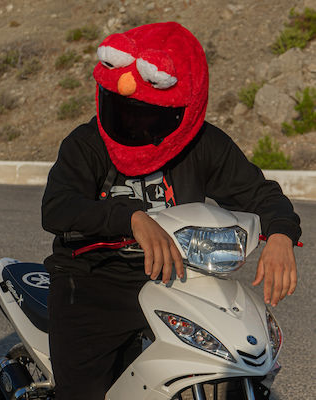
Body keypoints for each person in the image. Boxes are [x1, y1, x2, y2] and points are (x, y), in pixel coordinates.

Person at [41, 22, 301, 400]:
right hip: (93, 282)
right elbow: (57, 207)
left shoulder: (203, 144)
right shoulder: (86, 143)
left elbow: (261, 194)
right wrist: (131, 218)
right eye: (125, 111)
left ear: (182, 109)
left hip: (179, 279)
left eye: (148, 114)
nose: (134, 122)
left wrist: (280, 234)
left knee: (241, 361)